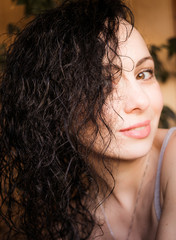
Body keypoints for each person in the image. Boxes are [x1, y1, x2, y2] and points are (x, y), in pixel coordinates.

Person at [0, 0, 176, 239]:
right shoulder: (68, 226)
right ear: (55, 109)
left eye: (143, 74)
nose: (141, 102)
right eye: (102, 83)